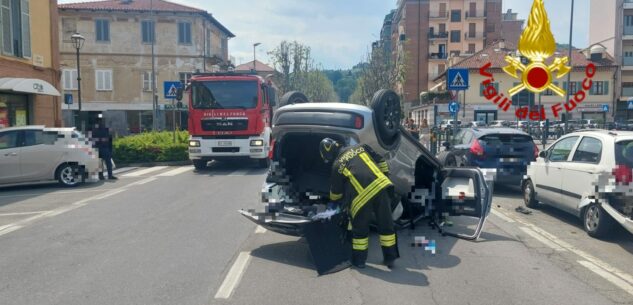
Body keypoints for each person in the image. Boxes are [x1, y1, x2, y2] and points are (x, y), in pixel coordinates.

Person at [320, 138, 399, 269]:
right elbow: (382, 162)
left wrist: (333, 208)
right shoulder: (361, 147)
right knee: (386, 224)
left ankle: (359, 261)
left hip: (362, 197)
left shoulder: (337, 165)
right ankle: (390, 258)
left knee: (360, 231)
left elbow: (336, 193)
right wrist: (384, 177)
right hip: (381, 187)